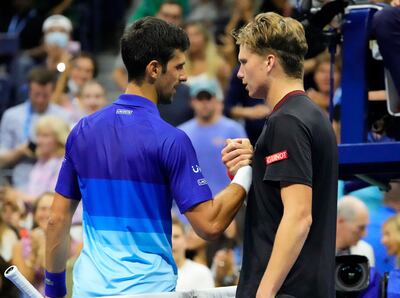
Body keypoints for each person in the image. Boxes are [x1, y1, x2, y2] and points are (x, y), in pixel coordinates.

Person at [45, 16, 253, 298]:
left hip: (88, 292)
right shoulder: (172, 140)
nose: (184, 76)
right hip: (150, 292)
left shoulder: (82, 130)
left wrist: (54, 291)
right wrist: (245, 172)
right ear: (154, 69)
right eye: (179, 67)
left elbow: (57, 219)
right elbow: (211, 224)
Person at [222, 12, 338, 297]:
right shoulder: (310, 115)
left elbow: (299, 217)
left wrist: (264, 293)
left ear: (269, 61)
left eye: (244, 62)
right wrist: (258, 158)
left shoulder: (286, 122)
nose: (239, 73)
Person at [0, 66, 70, 190]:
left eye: (45, 95)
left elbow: (70, 154)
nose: (40, 100)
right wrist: (20, 151)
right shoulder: (12, 116)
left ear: (52, 91)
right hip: (20, 181)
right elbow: (1, 159)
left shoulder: (64, 116)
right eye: (36, 94)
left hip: (53, 179)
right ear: (28, 91)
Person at [171, 216, 214, 290]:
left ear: (186, 240)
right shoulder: (154, 274)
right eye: (168, 237)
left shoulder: (202, 273)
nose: (172, 242)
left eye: (176, 237)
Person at [336, 196, 375, 267]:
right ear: (340, 221)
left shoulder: (366, 251)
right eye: (361, 228)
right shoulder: (318, 248)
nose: (365, 234)